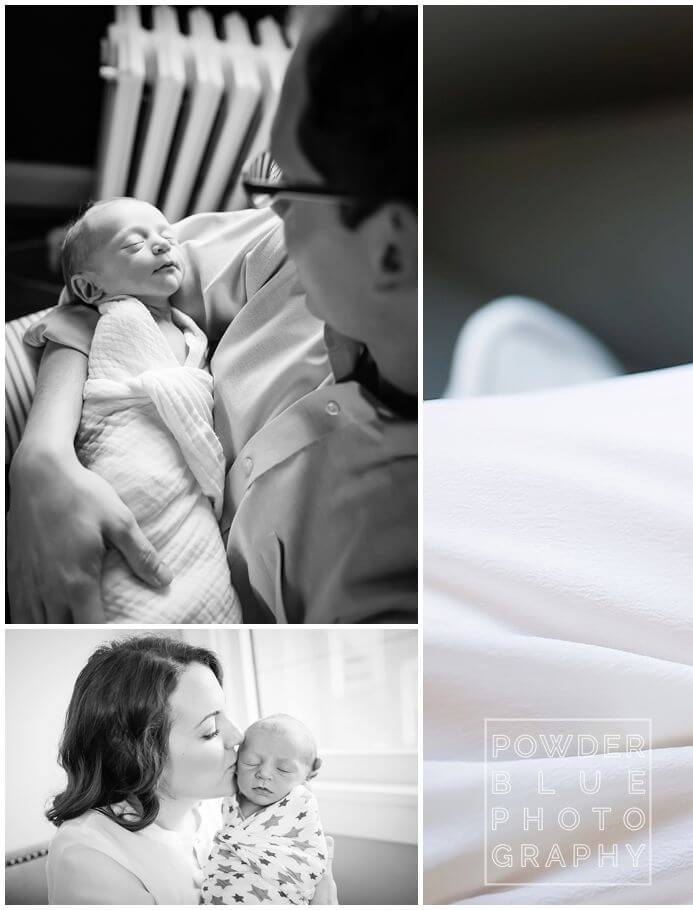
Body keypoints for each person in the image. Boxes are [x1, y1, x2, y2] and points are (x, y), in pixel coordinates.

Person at [6, 6, 417, 622]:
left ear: (388, 249)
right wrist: (41, 457)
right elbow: (98, 298)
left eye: (291, 186)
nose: (271, 207)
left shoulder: (386, 584)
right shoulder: (283, 251)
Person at [17, 197, 240, 622]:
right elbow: (64, 332)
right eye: (133, 245)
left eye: (166, 237)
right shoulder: (104, 318)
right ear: (89, 288)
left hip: (184, 488)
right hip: (126, 468)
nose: (161, 246)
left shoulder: (191, 329)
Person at [43, 635, 336, 904]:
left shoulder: (222, 810)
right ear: (136, 752)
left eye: (225, 714)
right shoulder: (89, 856)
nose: (236, 736)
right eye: (210, 730)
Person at [200, 714, 330, 905]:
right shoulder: (224, 796)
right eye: (250, 762)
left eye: (284, 769)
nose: (264, 774)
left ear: (309, 773)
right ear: (235, 763)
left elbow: (309, 862)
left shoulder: (299, 803)